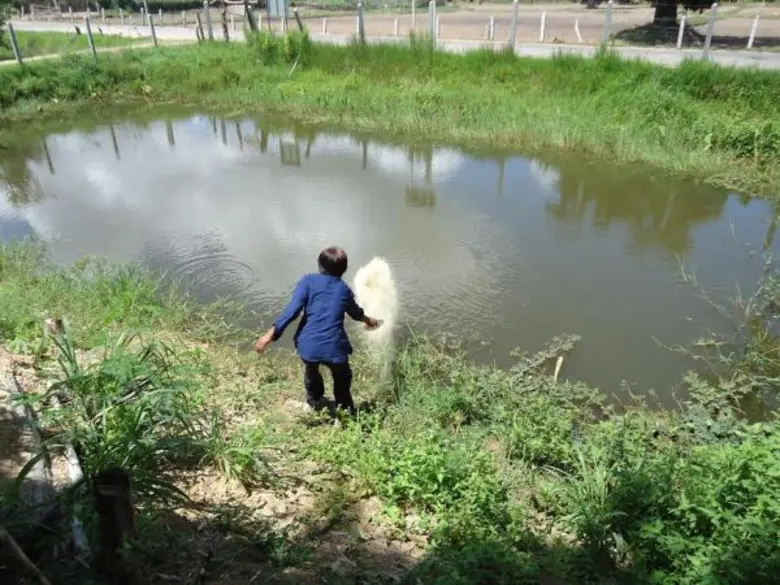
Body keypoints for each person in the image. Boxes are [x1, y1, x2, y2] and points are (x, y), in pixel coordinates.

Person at [254, 247, 382, 414]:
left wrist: (268, 336)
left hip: (307, 346)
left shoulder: (307, 281)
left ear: (319, 265)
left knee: (311, 368)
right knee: (342, 376)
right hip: (334, 348)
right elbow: (356, 313)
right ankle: (345, 411)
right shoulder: (343, 289)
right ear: (344, 269)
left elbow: (292, 311)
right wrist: (370, 321)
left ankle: (314, 401)